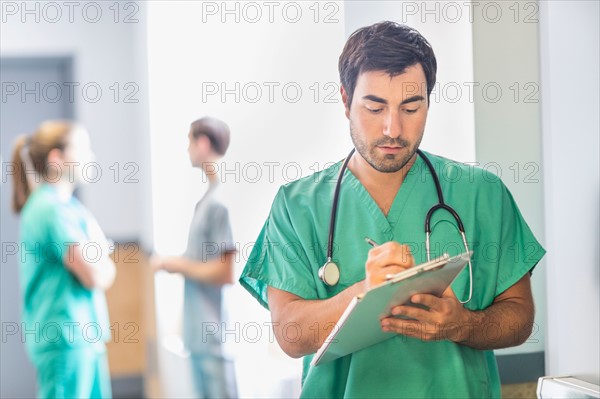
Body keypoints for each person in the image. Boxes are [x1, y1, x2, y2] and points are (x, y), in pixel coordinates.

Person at [240, 21, 546, 398]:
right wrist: (365, 293)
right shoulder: (297, 206)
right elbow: (290, 334)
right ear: (344, 99)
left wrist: (462, 326)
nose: (392, 128)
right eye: (374, 107)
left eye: (411, 107)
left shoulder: (482, 193)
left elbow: (520, 318)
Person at [11, 120, 116, 398]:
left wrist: (102, 261)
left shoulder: (68, 208)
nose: (90, 156)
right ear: (56, 158)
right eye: (82, 148)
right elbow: (95, 275)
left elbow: (101, 268)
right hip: (65, 338)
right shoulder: (50, 210)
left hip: (83, 337)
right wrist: (103, 259)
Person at [152, 117, 237, 399]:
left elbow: (226, 272)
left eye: (189, 141)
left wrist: (177, 265)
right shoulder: (207, 200)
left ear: (202, 143)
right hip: (200, 334)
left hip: (215, 337)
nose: (187, 149)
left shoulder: (221, 202)